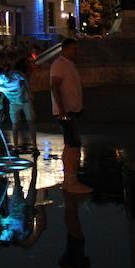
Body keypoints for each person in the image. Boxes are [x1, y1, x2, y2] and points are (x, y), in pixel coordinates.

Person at [50, 39, 91, 193]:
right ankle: (72, 181)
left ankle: (68, 180)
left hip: (71, 110)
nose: (76, 52)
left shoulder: (68, 64)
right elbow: (54, 86)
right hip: (66, 111)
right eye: (74, 49)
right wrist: (61, 110)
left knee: (70, 144)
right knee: (74, 145)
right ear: (65, 49)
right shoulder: (59, 65)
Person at [0, 66, 37, 153]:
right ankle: (15, 147)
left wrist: (29, 91)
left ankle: (35, 146)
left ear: (3, 76)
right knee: (15, 124)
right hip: (13, 104)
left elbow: (25, 78)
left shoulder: (15, 75)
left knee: (31, 122)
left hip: (26, 101)